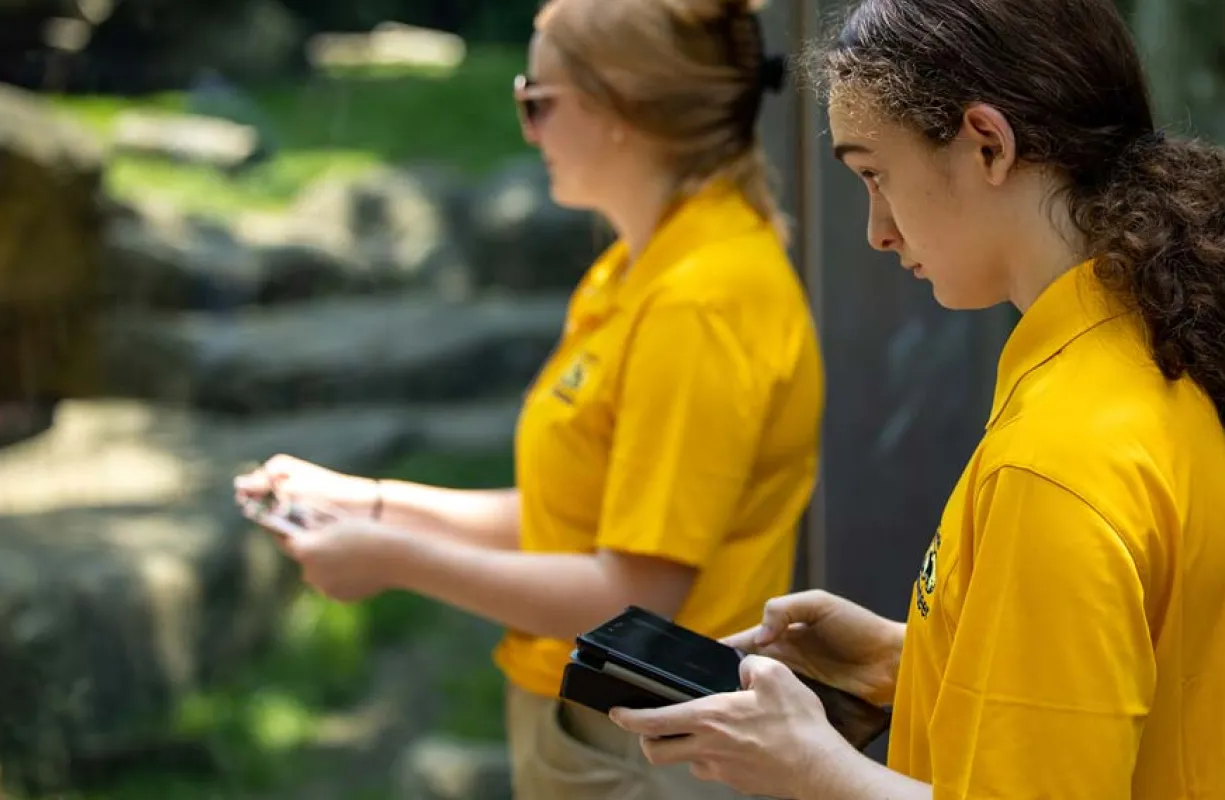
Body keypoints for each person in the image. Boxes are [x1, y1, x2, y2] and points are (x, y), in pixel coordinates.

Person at [606, 1, 1225, 798]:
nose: (877, 229)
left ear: (988, 144)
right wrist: (918, 660)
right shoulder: (1212, 361)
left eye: (874, 172)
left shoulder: (1058, 461)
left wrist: (807, 763)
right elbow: (1174, 682)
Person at [231, 1, 822, 797]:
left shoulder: (699, 302)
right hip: (605, 730)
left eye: (537, 101)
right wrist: (370, 504)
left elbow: (631, 596)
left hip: (647, 751)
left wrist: (396, 558)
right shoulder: (640, 268)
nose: (527, 129)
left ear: (620, 109)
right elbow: (576, 516)